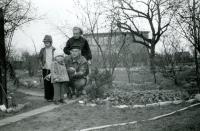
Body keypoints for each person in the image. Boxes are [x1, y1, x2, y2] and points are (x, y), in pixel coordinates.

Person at [38, 35, 55, 101]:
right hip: (45, 68)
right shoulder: (42, 50)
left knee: (52, 83)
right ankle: (48, 97)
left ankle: (53, 97)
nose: (46, 44)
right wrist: (41, 64)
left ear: (51, 42)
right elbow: (39, 58)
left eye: (47, 43)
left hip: (53, 68)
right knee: (46, 83)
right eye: (45, 43)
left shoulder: (54, 49)